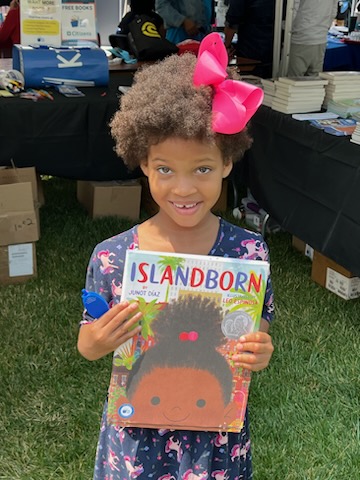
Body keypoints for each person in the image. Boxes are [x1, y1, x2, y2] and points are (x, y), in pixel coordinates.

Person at [78, 32, 275, 480]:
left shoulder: (249, 252)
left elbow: (255, 332)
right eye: (165, 169)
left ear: (228, 163)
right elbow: (87, 346)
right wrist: (102, 338)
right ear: (143, 163)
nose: (183, 189)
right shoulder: (112, 257)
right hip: (135, 444)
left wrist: (258, 352)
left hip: (215, 438)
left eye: (202, 169)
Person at [224, 0, 276, 78]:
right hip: (275, 49)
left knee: (249, 82)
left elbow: (232, 22)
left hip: (250, 49)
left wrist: (226, 46)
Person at [287, 0, 339, 77]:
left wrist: (286, 27)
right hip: (320, 38)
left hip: (301, 38)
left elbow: (293, 9)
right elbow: (333, 11)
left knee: (292, 81)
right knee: (314, 80)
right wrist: (324, 29)